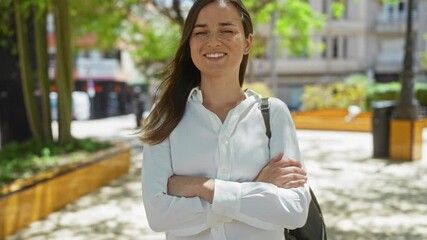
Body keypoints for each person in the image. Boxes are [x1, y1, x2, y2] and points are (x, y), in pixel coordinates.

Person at [140, 0, 311, 239]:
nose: (213, 41)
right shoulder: (165, 118)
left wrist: (201, 187)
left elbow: (294, 211)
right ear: (189, 43)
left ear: (247, 42)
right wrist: (255, 189)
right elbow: (159, 216)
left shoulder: (273, 114)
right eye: (201, 32)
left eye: (227, 30)